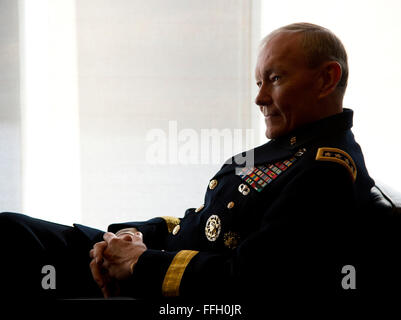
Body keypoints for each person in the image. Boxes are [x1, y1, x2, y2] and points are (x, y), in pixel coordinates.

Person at [0, 23, 396, 306]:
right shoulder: (286, 150)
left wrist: (138, 263)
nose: (259, 98)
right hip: (151, 260)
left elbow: (248, 282)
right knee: (13, 230)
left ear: (327, 79)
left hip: (161, 289)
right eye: (258, 82)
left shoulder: (325, 172)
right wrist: (126, 237)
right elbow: (206, 222)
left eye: (273, 79)